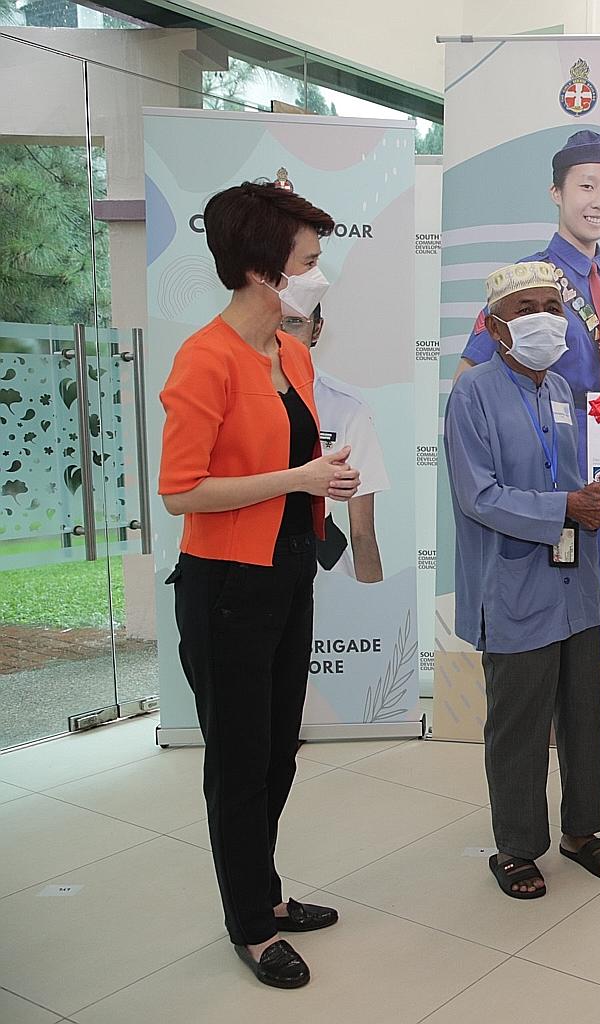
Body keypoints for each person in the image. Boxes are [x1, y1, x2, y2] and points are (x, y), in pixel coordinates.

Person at [159, 182, 359, 989]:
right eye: (309, 261)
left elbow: (298, 461)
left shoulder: (296, 353)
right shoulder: (204, 358)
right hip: (224, 587)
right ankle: (250, 924)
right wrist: (298, 476)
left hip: (286, 574)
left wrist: (321, 482)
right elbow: (182, 491)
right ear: (261, 270)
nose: (319, 273)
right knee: (239, 762)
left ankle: (264, 894)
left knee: (278, 751)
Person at [444, 260, 600, 900]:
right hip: (514, 587)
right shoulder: (472, 394)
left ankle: (584, 831)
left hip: (573, 585)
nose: (544, 321)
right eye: (526, 309)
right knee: (519, 723)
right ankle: (517, 848)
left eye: (552, 307)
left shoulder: (558, 391)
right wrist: (565, 508)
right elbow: (480, 496)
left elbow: (571, 478)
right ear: (495, 327)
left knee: (584, 714)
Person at [455, 129, 600, 661]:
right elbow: (470, 379)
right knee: (539, 639)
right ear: (556, 193)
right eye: (587, 186)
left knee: (593, 639)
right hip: (548, 489)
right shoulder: (529, 285)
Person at [283, 303, 388, 583]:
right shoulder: (231, 401)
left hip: (323, 566)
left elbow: (363, 532)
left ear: (316, 329)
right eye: (273, 320)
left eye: (294, 322)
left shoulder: (346, 407)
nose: (281, 333)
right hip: (245, 563)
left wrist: (372, 604)